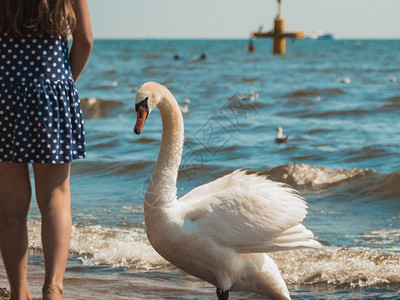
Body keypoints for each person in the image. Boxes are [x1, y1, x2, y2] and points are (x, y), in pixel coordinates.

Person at [0, 0, 93, 299]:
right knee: (55, 198)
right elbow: (85, 40)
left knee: (10, 206)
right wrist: (64, 83)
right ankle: (53, 287)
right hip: (52, 91)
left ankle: (19, 292)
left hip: (5, 94)